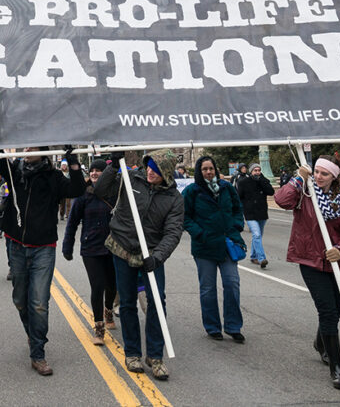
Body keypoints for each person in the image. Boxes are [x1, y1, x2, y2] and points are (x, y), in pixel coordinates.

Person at [0, 146, 85, 376]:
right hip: (16, 244)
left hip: (43, 248)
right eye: (25, 146)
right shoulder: (15, 172)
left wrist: (71, 160)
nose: (26, 150)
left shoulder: (53, 177)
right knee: (20, 300)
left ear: (44, 151)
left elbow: (77, 188)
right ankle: (33, 333)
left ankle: (38, 353)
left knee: (39, 303)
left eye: (32, 147)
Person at [274, 154, 340, 391]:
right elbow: (281, 200)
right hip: (311, 260)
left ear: (334, 176)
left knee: (336, 308)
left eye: (324, 173)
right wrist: (297, 179)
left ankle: (320, 342)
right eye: (316, 172)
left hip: (338, 262)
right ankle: (337, 369)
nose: (318, 176)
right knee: (328, 312)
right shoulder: (305, 193)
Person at [94, 150, 183, 380]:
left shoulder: (174, 198)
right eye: (150, 166)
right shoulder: (131, 178)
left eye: (158, 169)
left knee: (157, 303)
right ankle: (132, 353)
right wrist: (113, 165)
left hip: (151, 255)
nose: (152, 172)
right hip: (122, 247)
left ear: (167, 173)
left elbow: (173, 232)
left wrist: (158, 256)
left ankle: (155, 356)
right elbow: (101, 190)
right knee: (127, 304)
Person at [183, 156, 246, 343]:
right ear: (199, 171)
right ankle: (212, 327)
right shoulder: (191, 191)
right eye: (204, 169)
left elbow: (237, 209)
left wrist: (236, 227)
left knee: (232, 284)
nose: (208, 172)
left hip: (227, 244)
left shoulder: (227, 188)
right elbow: (185, 218)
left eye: (211, 168)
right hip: (204, 248)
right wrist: (200, 234)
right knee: (208, 289)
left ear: (216, 170)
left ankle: (233, 327)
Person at [62, 158, 116, 345]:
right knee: (97, 286)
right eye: (92, 170)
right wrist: (67, 247)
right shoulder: (83, 195)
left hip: (113, 248)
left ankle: (108, 309)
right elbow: (72, 223)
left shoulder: (114, 193)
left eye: (98, 171)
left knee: (112, 285)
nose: (94, 173)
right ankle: (99, 327)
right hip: (91, 249)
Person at [237, 163, 275, 269]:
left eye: (259, 170)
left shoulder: (264, 181)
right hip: (250, 213)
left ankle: (253, 256)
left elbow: (271, 192)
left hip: (262, 213)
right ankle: (261, 258)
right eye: (255, 170)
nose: (257, 172)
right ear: (251, 171)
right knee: (257, 234)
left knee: (258, 236)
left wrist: (262, 181)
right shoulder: (244, 182)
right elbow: (238, 196)